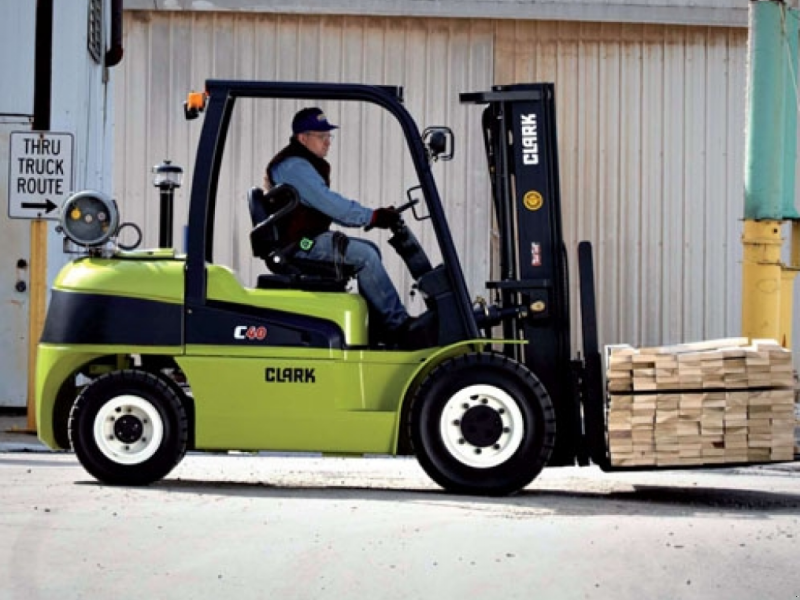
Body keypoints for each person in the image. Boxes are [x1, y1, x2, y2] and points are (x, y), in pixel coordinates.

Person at [264, 107, 412, 341]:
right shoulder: (294, 166)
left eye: (328, 136)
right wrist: (372, 216)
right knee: (365, 256)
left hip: (305, 238)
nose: (327, 142)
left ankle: (379, 326)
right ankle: (399, 327)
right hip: (300, 244)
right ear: (303, 138)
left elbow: (326, 207)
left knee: (371, 250)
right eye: (321, 136)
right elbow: (331, 204)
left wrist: (372, 217)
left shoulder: (302, 163)